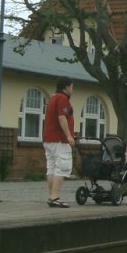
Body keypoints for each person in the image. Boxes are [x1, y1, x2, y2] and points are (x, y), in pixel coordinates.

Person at [43, 76, 76, 207]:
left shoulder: (52, 98)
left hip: (48, 139)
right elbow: (62, 117)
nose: (72, 89)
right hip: (59, 140)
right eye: (72, 87)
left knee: (51, 168)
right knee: (62, 167)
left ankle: (52, 196)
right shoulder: (63, 98)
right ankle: (55, 197)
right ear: (67, 87)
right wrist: (69, 136)